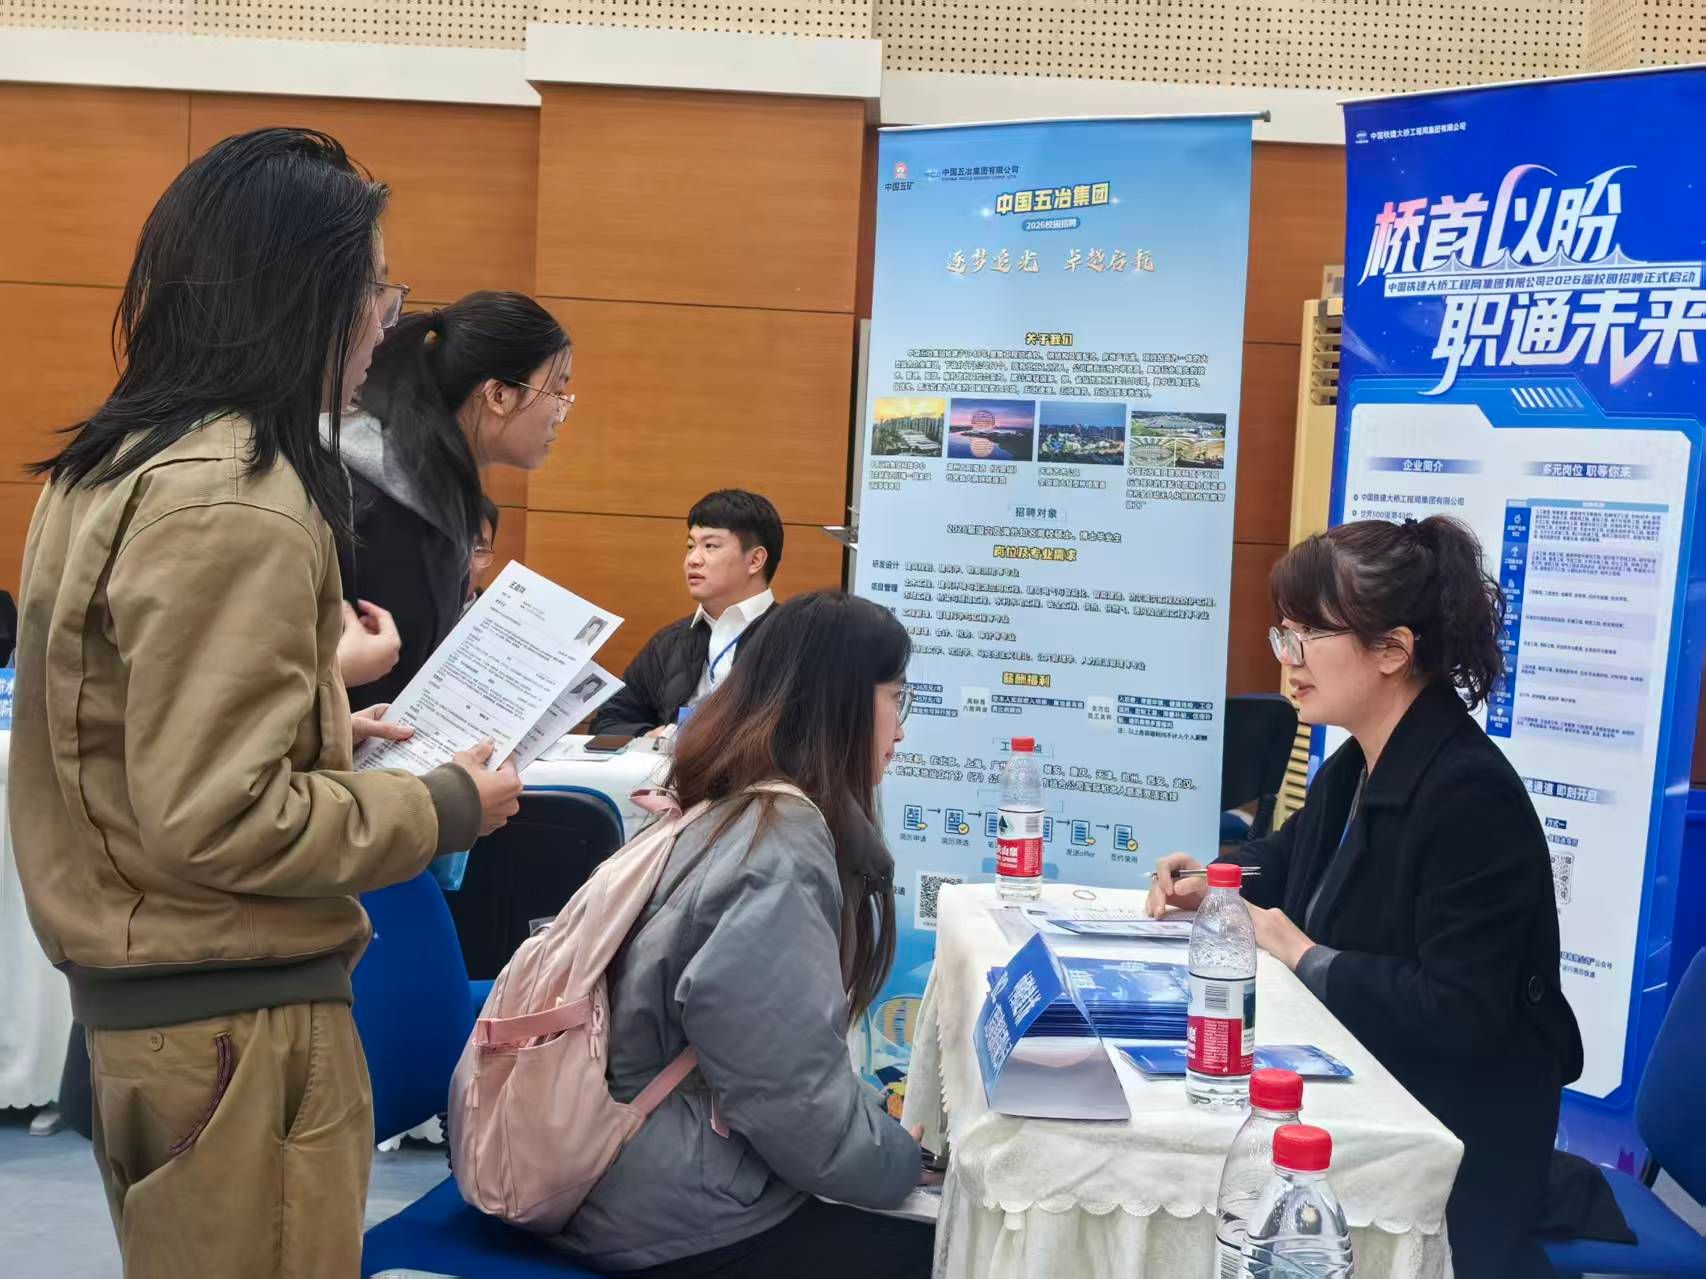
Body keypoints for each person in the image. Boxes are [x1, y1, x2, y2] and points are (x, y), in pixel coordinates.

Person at [8, 128, 523, 1279]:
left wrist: (320, 718)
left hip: (164, 1006)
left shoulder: (118, 460)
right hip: (237, 1026)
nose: (386, 323)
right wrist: (445, 804)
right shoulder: (237, 496)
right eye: (377, 290)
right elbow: (219, 818)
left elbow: (127, 725)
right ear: (305, 297)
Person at [1147, 516, 1583, 1279]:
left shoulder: (1468, 793)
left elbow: (1458, 1011)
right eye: (1285, 634)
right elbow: (1287, 859)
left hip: (1453, 1144)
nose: (1288, 659)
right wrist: (1213, 882)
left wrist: (1302, 951)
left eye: (1309, 635)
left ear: (1392, 650)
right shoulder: (1358, 760)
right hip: (1371, 1087)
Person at [561, 591, 933, 1276]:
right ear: (843, 706)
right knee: (959, 1251)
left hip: (632, 1164)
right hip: (673, 1211)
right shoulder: (779, 849)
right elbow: (787, 1095)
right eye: (896, 699)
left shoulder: (728, 806)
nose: (900, 732)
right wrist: (903, 1159)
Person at [336, 289, 572, 708]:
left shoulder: (432, 494)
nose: (560, 414)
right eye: (557, 391)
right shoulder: (374, 506)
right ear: (499, 395)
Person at [594, 490, 783, 737]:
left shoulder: (799, 639)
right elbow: (609, 722)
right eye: (691, 546)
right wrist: (651, 738)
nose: (693, 559)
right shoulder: (669, 642)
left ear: (755, 560)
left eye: (710, 546)